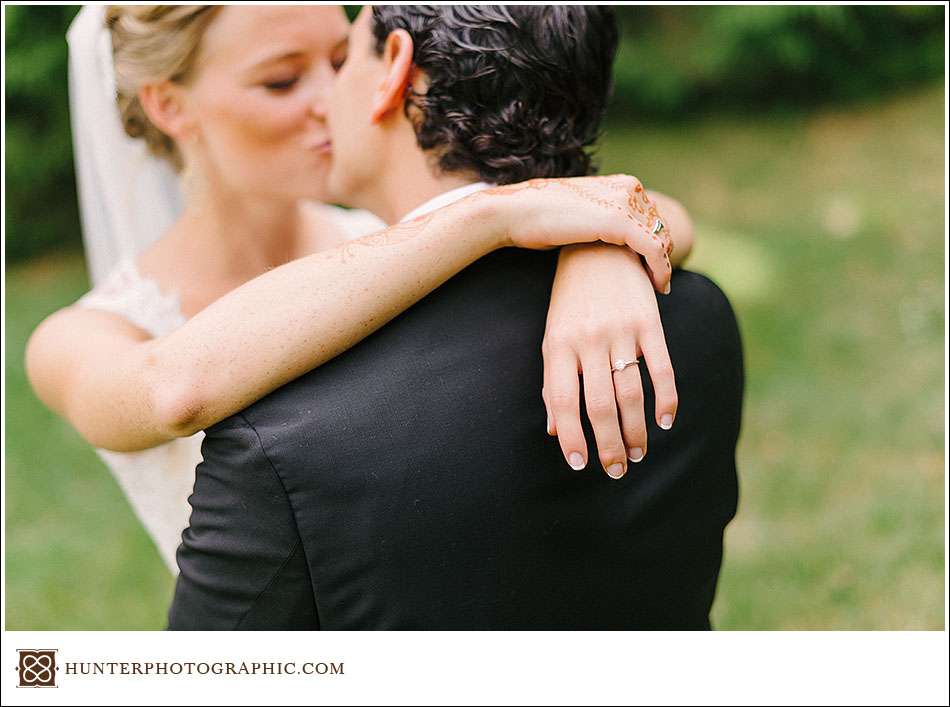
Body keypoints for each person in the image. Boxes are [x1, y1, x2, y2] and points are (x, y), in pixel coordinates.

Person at [27, 5, 693, 573]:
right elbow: (170, 391)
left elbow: (663, 211)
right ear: (169, 105)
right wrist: (498, 217)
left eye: (344, 60)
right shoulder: (81, 337)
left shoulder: (399, 233)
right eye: (283, 80)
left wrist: (596, 252)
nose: (333, 99)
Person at [167, 5, 744, 630]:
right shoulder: (696, 318)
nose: (323, 99)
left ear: (394, 69)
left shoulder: (283, 434)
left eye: (343, 60)